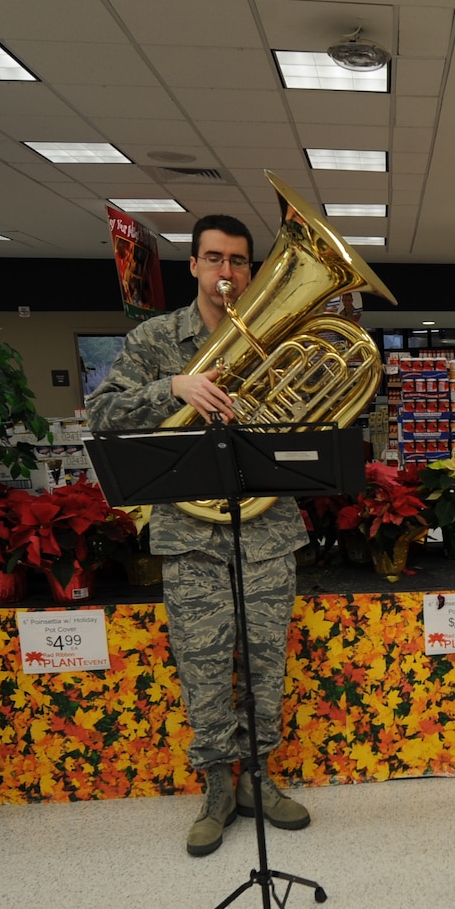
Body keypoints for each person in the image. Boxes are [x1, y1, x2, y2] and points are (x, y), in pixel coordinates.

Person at [86, 213, 311, 855]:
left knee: (265, 665)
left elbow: (307, 422)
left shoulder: (275, 335)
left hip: (267, 532)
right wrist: (173, 387)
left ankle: (259, 779)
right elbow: (101, 413)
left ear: (251, 270)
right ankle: (217, 788)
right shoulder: (157, 338)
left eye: (238, 261)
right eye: (214, 259)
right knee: (204, 667)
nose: (226, 272)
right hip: (190, 537)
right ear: (193, 265)